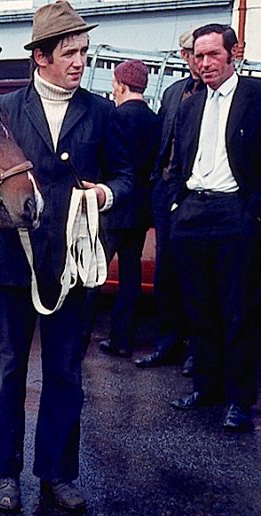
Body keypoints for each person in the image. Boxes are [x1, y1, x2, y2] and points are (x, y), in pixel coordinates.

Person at [0, 0, 132, 513]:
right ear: (40, 56)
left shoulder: (102, 112)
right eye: (69, 52)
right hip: (13, 260)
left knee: (65, 371)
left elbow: (129, 179)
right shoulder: (6, 109)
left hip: (73, 266)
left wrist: (105, 195)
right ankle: (5, 472)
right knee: (8, 367)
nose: (79, 61)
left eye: (84, 52)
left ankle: (58, 475)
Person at [167, 24, 261, 433]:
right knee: (199, 311)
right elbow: (176, 159)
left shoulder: (256, 97)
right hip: (192, 215)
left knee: (238, 312)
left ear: (233, 53)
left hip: (235, 215)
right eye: (198, 56)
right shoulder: (188, 104)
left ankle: (240, 400)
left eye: (212, 55)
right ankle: (206, 388)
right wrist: (176, 204)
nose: (203, 63)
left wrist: (253, 211)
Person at [134, 29, 203, 374]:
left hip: (196, 194)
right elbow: (162, 140)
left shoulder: (218, 93)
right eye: (187, 53)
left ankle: (198, 349)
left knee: (196, 274)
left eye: (196, 52)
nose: (192, 59)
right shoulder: (175, 91)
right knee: (166, 273)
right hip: (165, 189)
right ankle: (168, 342)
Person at [94, 59, 161, 358]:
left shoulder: (113, 117)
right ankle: (123, 340)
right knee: (130, 276)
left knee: (93, 272)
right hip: (141, 208)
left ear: (121, 85)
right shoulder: (155, 120)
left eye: (113, 84)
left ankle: (77, 334)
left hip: (113, 204)